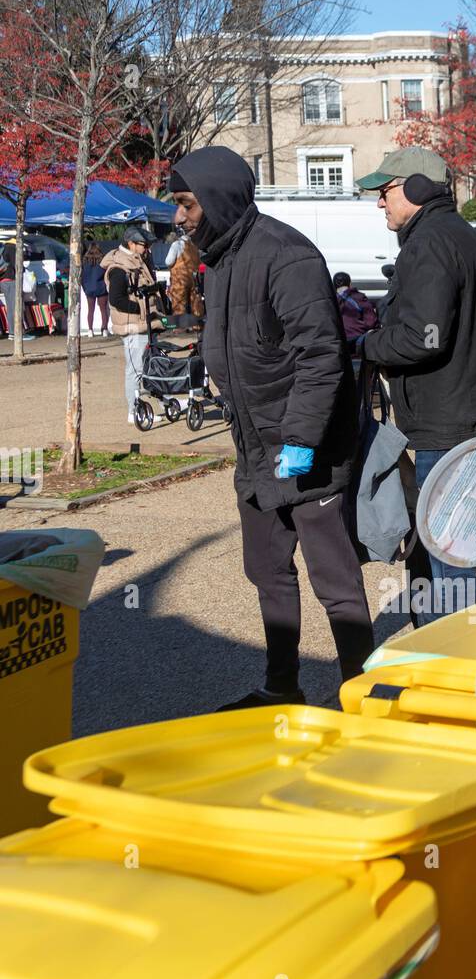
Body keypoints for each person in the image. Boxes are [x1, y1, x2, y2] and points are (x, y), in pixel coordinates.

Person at [170, 145, 374, 708]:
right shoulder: (222, 259)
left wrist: (301, 441)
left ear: (217, 197)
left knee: (334, 581)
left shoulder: (286, 255)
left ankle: (363, 692)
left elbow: (321, 356)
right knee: (267, 570)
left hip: (306, 450)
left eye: (187, 204)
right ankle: (281, 688)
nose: (180, 216)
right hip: (256, 450)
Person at [356, 146, 476, 619]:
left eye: (385, 192)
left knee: (453, 564)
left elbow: (423, 338)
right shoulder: (459, 234)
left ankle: (459, 667)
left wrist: (364, 346)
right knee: (469, 554)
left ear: (418, 189)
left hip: (448, 431)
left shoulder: (429, 242)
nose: (379, 203)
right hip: (467, 420)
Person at [101, 226, 158, 424]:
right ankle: (133, 411)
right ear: (131, 244)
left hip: (145, 323)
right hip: (133, 326)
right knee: (134, 370)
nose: (147, 248)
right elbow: (116, 299)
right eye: (144, 245)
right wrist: (141, 310)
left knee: (149, 367)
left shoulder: (139, 261)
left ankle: (151, 405)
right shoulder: (119, 267)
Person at [166, 227, 204, 328]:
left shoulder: (176, 244)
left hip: (180, 279)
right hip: (194, 279)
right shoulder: (195, 246)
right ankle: (197, 325)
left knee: (179, 304)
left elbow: (168, 261)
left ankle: (180, 328)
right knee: (195, 303)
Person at [333, 271, 378, 353]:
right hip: (357, 340)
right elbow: (370, 322)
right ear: (350, 283)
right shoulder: (359, 297)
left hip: (337, 342)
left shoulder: (330, 301)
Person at [81, 241, 109, 337]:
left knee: (90, 310)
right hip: (101, 287)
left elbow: (82, 276)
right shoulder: (103, 259)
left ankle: (90, 330)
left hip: (89, 288)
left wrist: (85, 287)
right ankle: (104, 329)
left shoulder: (84, 260)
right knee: (103, 310)